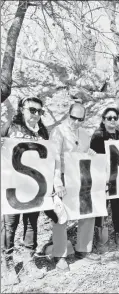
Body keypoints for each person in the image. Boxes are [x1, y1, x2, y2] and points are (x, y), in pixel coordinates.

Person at [1, 97, 49, 285]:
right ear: (22, 109)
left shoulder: (43, 131)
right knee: (9, 226)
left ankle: (29, 260)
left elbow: (48, 159)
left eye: (40, 111)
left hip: (34, 187)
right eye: (32, 110)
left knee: (31, 224)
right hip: (11, 187)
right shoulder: (9, 127)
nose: (36, 115)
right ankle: (7, 264)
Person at [49, 102, 99, 271]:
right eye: (73, 117)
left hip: (81, 177)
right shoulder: (58, 131)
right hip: (62, 177)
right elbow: (54, 158)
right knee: (61, 216)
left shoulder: (85, 134)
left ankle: (83, 249)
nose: (76, 122)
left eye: (80, 119)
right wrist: (57, 182)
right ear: (68, 115)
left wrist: (90, 153)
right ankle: (60, 255)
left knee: (88, 212)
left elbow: (84, 153)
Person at [90, 107, 119, 251]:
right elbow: (92, 157)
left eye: (115, 118)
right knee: (101, 207)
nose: (112, 120)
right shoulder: (98, 136)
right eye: (109, 118)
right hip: (101, 178)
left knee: (117, 207)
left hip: (117, 178)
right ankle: (99, 236)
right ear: (103, 120)